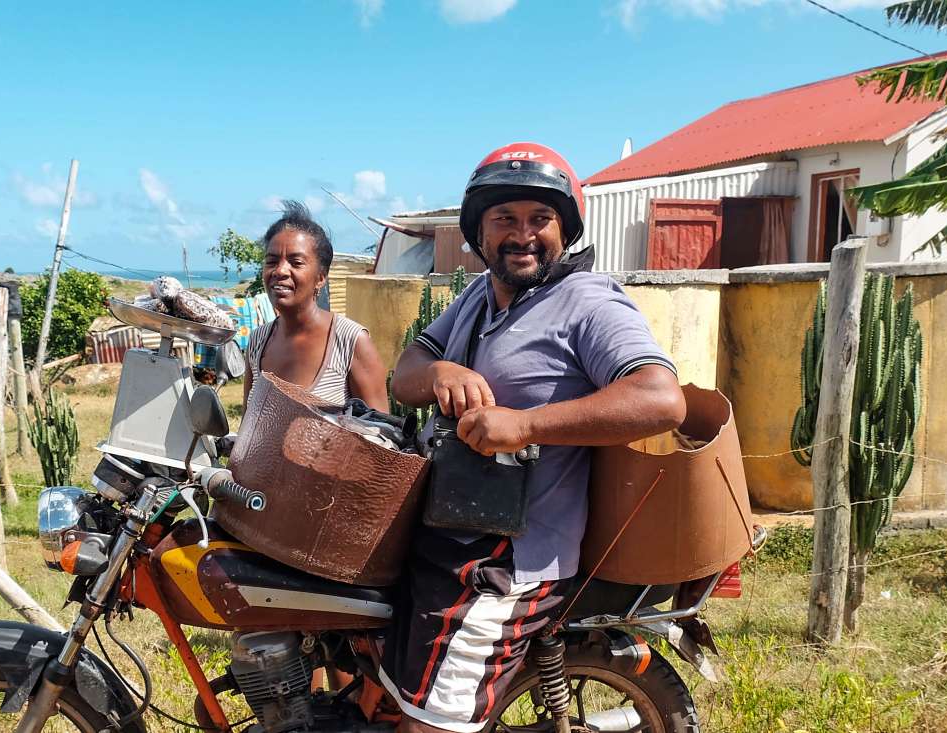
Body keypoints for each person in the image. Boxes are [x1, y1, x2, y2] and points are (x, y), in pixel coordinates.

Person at [385, 142, 687, 732]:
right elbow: (405, 374)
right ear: (478, 232)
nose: (522, 234)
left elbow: (661, 398)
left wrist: (525, 425)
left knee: (430, 725)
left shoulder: (588, 301)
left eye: (539, 219)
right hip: (449, 531)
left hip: (510, 559)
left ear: (564, 230)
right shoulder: (478, 296)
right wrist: (443, 370)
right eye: (504, 219)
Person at [243, 200, 388, 409]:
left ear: (320, 278)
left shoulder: (350, 342)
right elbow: (249, 426)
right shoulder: (257, 342)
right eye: (272, 261)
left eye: (296, 262)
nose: (280, 271)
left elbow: (380, 434)